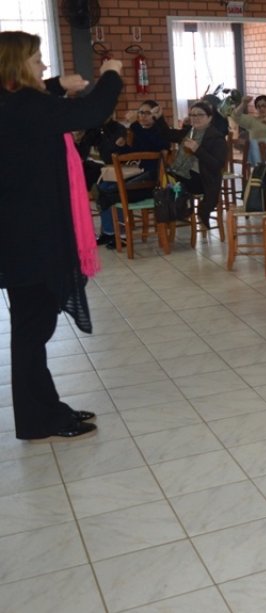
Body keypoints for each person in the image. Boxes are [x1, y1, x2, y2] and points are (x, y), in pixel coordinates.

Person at [0, 31, 124, 440]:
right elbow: (91, 113)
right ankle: (39, 420)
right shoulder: (27, 106)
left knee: (31, 330)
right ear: (18, 65)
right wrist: (111, 75)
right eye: (37, 59)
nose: (44, 66)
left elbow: (33, 103)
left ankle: (45, 410)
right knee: (32, 332)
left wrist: (58, 85)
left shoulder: (13, 102)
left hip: (19, 235)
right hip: (32, 238)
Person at [97, 99, 172, 247]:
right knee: (104, 187)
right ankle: (109, 233)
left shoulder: (160, 131)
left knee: (110, 191)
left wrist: (133, 126)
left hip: (153, 179)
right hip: (139, 173)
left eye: (147, 113)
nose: (143, 116)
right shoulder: (138, 129)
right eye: (140, 112)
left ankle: (122, 235)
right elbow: (135, 153)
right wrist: (123, 146)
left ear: (155, 115)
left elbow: (151, 149)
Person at [167, 101, 227, 228]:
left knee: (168, 181)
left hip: (204, 180)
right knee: (162, 177)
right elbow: (166, 134)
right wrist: (157, 117)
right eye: (193, 115)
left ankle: (179, 210)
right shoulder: (189, 132)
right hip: (185, 175)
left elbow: (216, 166)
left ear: (209, 118)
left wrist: (198, 150)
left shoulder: (216, 137)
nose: (195, 118)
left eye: (200, 115)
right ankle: (175, 211)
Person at [233, 95, 266, 164]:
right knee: (253, 142)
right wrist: (244, 103)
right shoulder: (252, 120)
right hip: (255, 153)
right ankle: (260, 168)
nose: (261, 108)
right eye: (258, 107)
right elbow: (235, 116)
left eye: (264, 106)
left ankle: (263, 168)